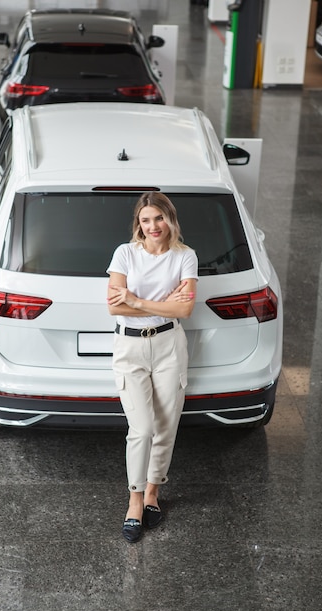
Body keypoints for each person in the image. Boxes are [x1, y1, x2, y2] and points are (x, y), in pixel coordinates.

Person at [106, 191, 198, 543]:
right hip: (129, 346)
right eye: (145, 220)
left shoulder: (185, 257)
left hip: (169, 346)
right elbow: (115, 307)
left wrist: (136, 299)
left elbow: (185, 310)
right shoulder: (125, 253)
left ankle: (152, 495)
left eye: (158, 218)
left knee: (166, 426)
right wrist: (162, 304)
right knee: (141, 429)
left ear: (169, 219)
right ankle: (133, 501)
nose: (152, 225)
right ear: (138, 224)